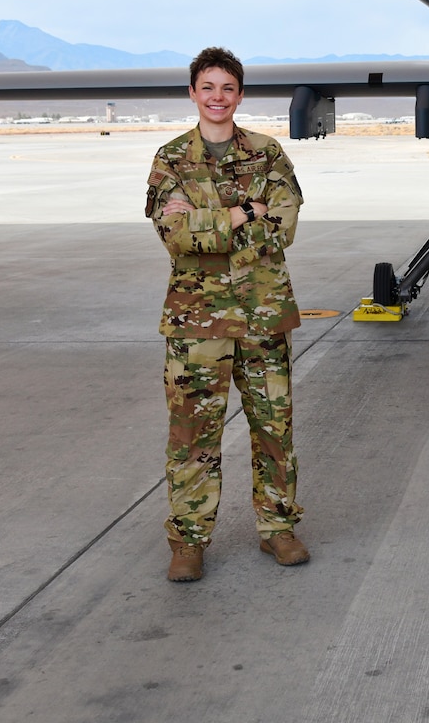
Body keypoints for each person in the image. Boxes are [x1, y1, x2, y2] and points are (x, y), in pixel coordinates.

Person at [145, 46, 308, 582]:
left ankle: (278, 530)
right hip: (197, 324)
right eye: (208, 87)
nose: (218, 97)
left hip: (263, 314)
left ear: (240, 94)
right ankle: (189, 542)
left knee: (273, 429)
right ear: (192, 93)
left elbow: (282, 227)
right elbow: (175, 237)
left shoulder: (268, 153)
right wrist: (244, 212)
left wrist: (206, 221)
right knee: (192, 434)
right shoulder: (170, 158)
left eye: (228, 88)